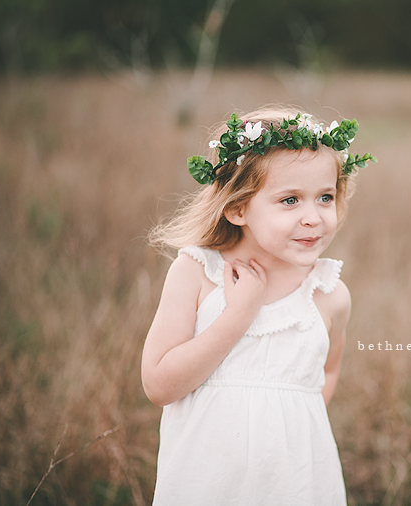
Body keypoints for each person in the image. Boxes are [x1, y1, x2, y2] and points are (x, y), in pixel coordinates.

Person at [141, 106, 375, 505]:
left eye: (325, 197)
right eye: (289, 200)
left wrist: (289, 429)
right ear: (238, 208)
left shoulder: (329, 295)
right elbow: (159, 385)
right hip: (208, 483)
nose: (313, 218)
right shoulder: (198, 274)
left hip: (295, 486)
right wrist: (239, 315)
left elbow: (326, 371)